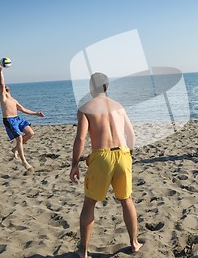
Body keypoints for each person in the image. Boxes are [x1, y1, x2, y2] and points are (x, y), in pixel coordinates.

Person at [69, 72, 142, 257]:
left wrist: (74, 164)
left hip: (101, 157)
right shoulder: (118, 106)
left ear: (91, 88)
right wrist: (129, 155)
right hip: (123, 153)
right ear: (107, 87)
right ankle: (134, 243)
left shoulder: (86, 108)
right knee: (127, 200)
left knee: (89, 204)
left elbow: (80, 139)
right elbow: (132, 135)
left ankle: (84, 252)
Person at [0, 64, 45, 172]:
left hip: (18, 119)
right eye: (4, 88)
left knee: (31, 133)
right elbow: (2, 83)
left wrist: (36, 113)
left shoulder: (13, 100)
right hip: (9, 120)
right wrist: (0, 71)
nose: (6, 87)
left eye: (7, 87)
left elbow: (23, 109)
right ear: (2, 90)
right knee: (19, 139)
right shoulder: (3, 98)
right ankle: (24, 162)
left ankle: (15, 149)